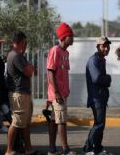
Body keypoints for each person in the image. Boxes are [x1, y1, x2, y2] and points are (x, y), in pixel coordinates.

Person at [5, 31, 37, 155]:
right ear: (18, 43)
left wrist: (30, 67)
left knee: (25, 123)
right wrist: (30, 66)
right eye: (24, 43)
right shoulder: (16, 56)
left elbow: (30, 70)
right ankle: (9, 150)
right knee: (17, 122)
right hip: (19, 94)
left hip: (23, 93)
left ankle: (28, 149)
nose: (25, 46)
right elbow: (29, 72)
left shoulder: (18, 55)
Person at [46, 22, 76, 155]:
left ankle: (52, 149)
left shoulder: (66, 53)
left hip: (63, 94)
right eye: (70, 35)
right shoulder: (55, 50)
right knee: (62, 121)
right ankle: (65, 150)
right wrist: (56, 92)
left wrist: (65, 91)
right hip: (56, 94)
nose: (73, 38)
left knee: (54, 120)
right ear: (64, 37)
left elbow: (64, 73)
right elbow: (50, 72)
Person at [83, 36, 112, 155]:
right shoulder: (93, 60)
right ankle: (88, 148)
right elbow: (97, 78)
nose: (106, 48)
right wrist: (109, 78)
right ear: (98, 47)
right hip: (96, 98)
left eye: (107, 46)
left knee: (101, 124)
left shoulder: (101, 59)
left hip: (101, 96)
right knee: (99, 124)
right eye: (103, 46)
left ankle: (98, 148)